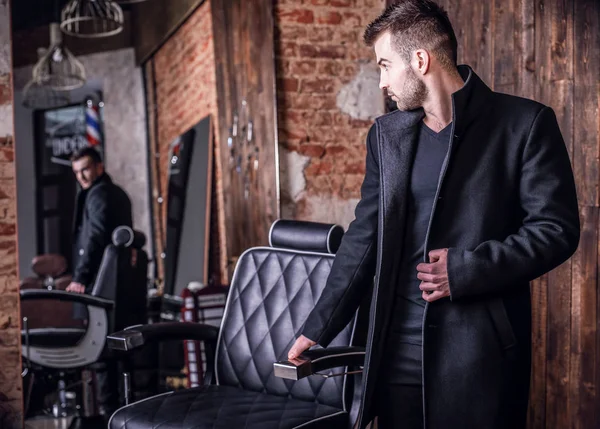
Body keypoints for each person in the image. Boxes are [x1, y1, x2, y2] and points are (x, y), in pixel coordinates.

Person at [287, 1, 580, 429]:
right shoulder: (386, 136)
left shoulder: (525, 123)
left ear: (420, 60)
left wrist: (467, 269)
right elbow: (364, 235)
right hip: (392, 351)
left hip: (479, 353)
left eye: (385, 65)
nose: (383, 82)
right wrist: (318, 327)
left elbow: (557, 230)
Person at [66, 146, 133, 418]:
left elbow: (95, 237)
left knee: (104, 354)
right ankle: (120, 415)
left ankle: (110, 416)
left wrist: (80, 278)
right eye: (77, 172)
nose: (81, 176)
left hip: (101, 287)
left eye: (86, 169)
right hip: (117, 287)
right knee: (115, 353)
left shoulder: (99, 194)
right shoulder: (117, 193)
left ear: (99, 167)